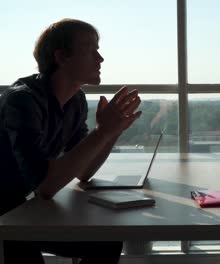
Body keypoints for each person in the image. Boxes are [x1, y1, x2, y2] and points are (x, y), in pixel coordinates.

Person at [0, 18, 142, 263]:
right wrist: (102, 132)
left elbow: (84, 171)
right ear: (62, 57)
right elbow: (45, 185)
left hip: (19, 207)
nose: (100, 59)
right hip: (6, 213)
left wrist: (111, 132)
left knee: (107, 242)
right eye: (91, 50)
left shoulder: (76, 101)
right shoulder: (22, 100)